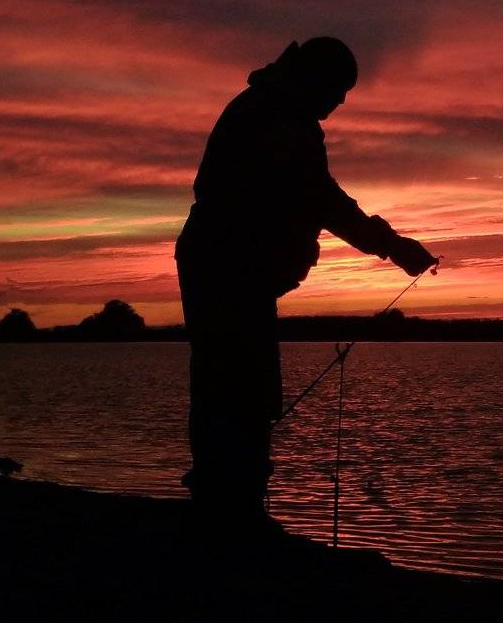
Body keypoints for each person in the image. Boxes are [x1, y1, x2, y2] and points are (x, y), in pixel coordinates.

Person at [175, 37, 436, 531]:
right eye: (337, 91)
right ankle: (230, 509)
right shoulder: (278, 118)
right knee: (239, 387)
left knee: (231, 384)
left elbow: (315, 196)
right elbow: (321, 199)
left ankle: (227, 502)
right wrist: (392, 245)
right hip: (227, 268)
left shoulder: (275, 110)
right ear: (314, 79)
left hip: (227, 266)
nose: (339, 103)